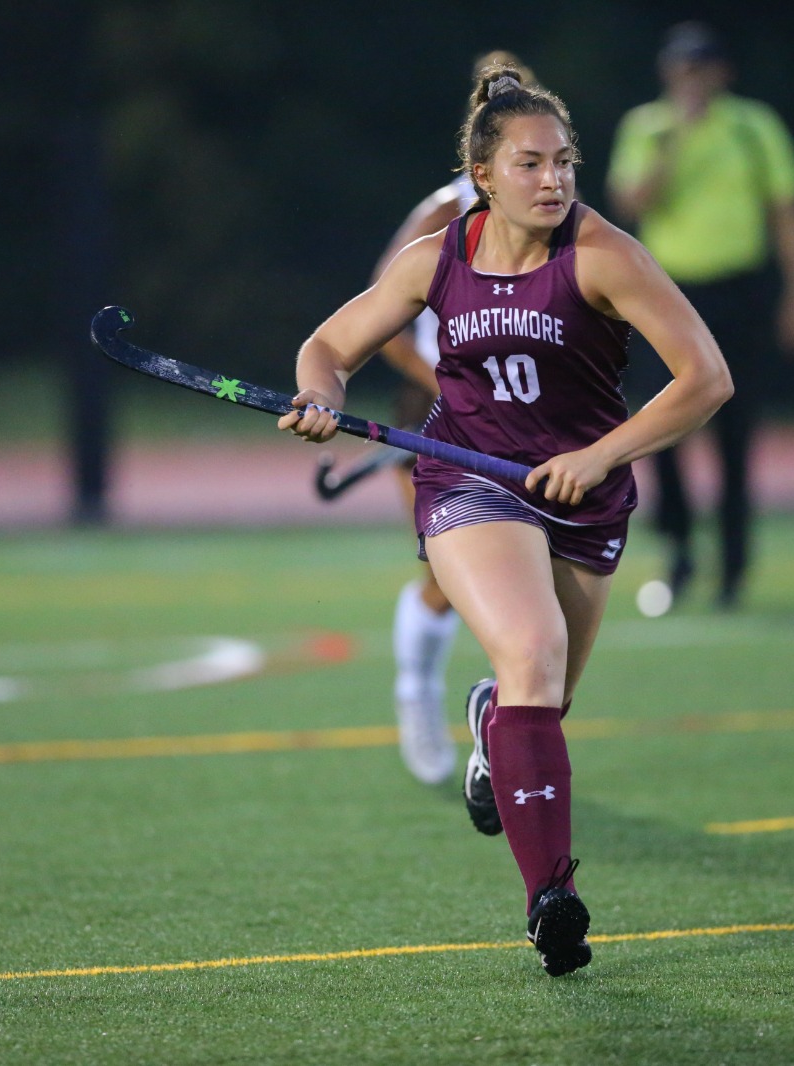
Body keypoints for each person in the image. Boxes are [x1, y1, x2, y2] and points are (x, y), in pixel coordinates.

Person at [279, 64, 732, 976]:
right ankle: (550, 902)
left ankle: (493, 720)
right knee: (532, 649)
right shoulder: (437, 257)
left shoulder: (603, 254)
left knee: (544, 697)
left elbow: (706, 379)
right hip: (470, 479)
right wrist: (320, 394)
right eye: (531, 164)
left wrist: (600, 456)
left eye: (564, 161)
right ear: (483, 176)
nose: (554, 180)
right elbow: (329, 345)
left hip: (584, 496)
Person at [607, 20, 794, 610]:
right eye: (683, 68)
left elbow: (786, 211)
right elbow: (631, 204)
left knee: (735, 428)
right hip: (666, 296)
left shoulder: (753, 126)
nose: (692, 79)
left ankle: (733, 568)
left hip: (738, 291)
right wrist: (674, 140)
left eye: (701, 67)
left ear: (722, 72)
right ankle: (678, 553)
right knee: (658, 428)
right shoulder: (647, 128)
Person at [372, 51, 536, 788]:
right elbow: (380, 323)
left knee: (542, 585)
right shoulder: (443, 215)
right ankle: (418, 693)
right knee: (446, 572)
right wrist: (449, 384)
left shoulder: (556, 214)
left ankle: (500, 728)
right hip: (438, 407)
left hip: (529, 411)